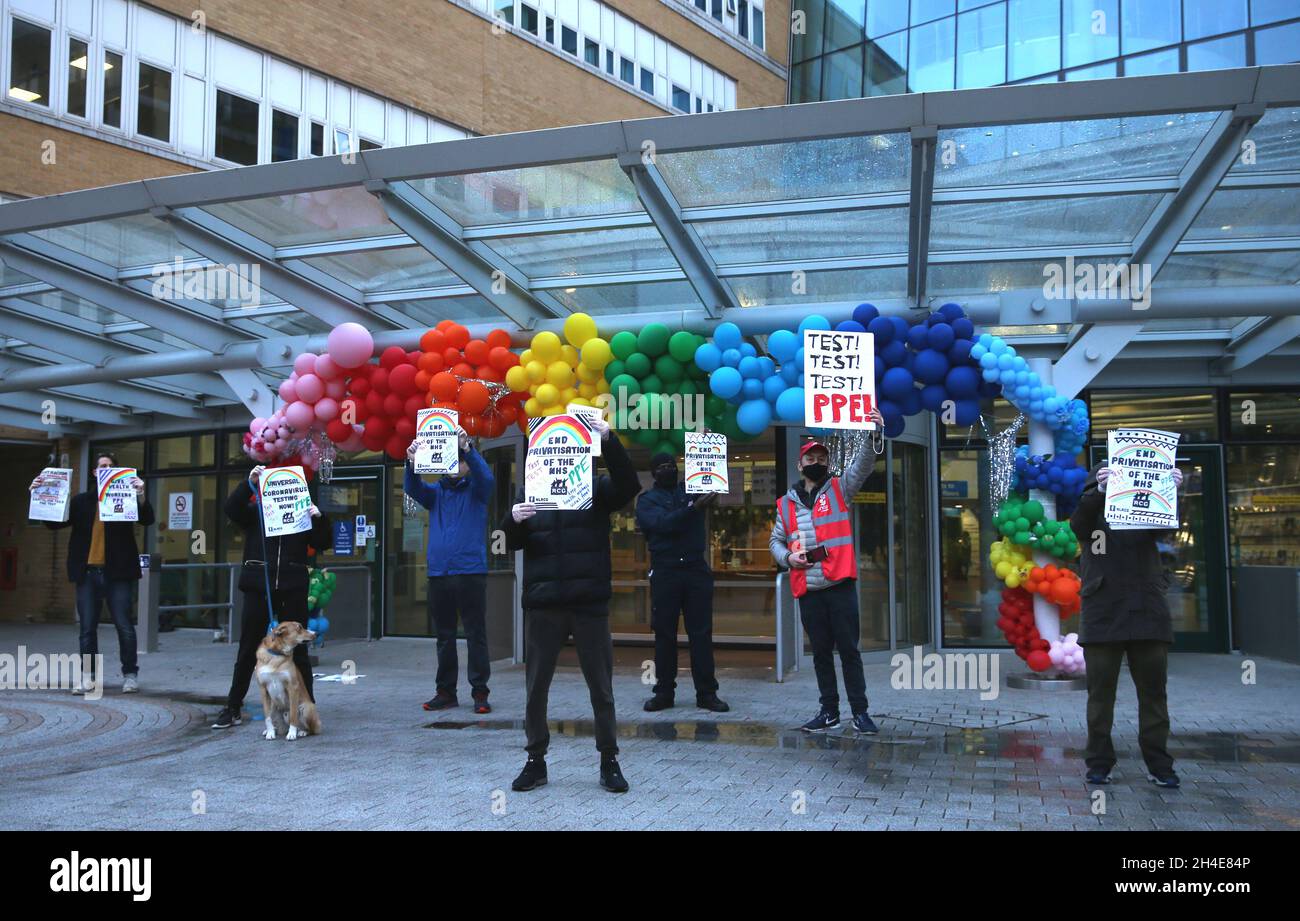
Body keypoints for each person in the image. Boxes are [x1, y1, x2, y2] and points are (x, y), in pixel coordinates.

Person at [501, 417, 640, 794]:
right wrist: (512, 520)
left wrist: (609, 439)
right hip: (544, 604)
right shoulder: (528, 492)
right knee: (536, 688)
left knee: (601, 687)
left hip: (588, 602)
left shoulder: (594, 489)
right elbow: (506, 541)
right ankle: (535, 761)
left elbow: (629, 485)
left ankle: (609, 761)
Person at [1070, 460, 1185, 789]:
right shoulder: (1093, 505)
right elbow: (1080, 527)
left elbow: (1166, 529)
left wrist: (1170, 491)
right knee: (1100, 695)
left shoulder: (1147, 502)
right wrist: (1101, 491)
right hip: (1103, 609)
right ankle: (1099, 764)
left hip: (1146, 608)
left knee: (1153, 695)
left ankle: (1159, 764)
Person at [770, 416, 883, 734]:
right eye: (811, 458)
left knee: (849, 651)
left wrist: (873, 431)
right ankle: (829, 711)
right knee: (820, 653)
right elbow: (775, 541)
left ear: (828, 462)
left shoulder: (839, 489)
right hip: (808, 587)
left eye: (822, 458)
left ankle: (860, 712)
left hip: (839, 584)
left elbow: (863, 464)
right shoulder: (784, 505)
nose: (816, 462)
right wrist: (788, 557)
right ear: (799, 463)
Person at [211, 464, 331, 730]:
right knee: (248, 648)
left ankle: (305, 706)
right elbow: (231, 508)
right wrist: (248, 483)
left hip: (292, 587)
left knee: (298, 650)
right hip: (258, 585)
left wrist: (319, 517)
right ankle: (233, 706)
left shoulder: (302, 516)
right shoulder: (256, 514)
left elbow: (323, 542)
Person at [34, 452, 153, 695]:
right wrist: (38, 493)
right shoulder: (81, 502)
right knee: (87, 628)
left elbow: (147, 519)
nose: (105, 469)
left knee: (124, 626)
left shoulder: (126, 496)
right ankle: (88, 678)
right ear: (95, 473)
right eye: (101, 466)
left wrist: (140, 493)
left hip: (118, 573)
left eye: (110, 466)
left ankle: (130, 675)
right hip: (87, 572)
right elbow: (54, 523)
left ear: (116, 471)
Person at [404, 426, 495, 714]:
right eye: (452, 461)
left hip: (470, 572)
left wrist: (468, 448)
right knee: (444, 636)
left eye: (461, 461)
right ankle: (446, 692)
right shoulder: (436, 493)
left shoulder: (478, 491)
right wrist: (411, 462)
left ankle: (480, 692)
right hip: (440, 573)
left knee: (475, 634)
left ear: (468, 465)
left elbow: (487, 478)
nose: (456, 467)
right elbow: (413, 488)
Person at [635, 451, 727, 713]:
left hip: (695, 568)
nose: (669, 469)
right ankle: (664, 692)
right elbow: (661, 525)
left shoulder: (691, 490)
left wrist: (709, 450)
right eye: (662, 466)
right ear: (653, 472)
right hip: (666, 570)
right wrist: (691, 510)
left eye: (672, 465)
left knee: (701, 634)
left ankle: (707, 693)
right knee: (665, 635)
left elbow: (711, 482)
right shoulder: (646, 501)